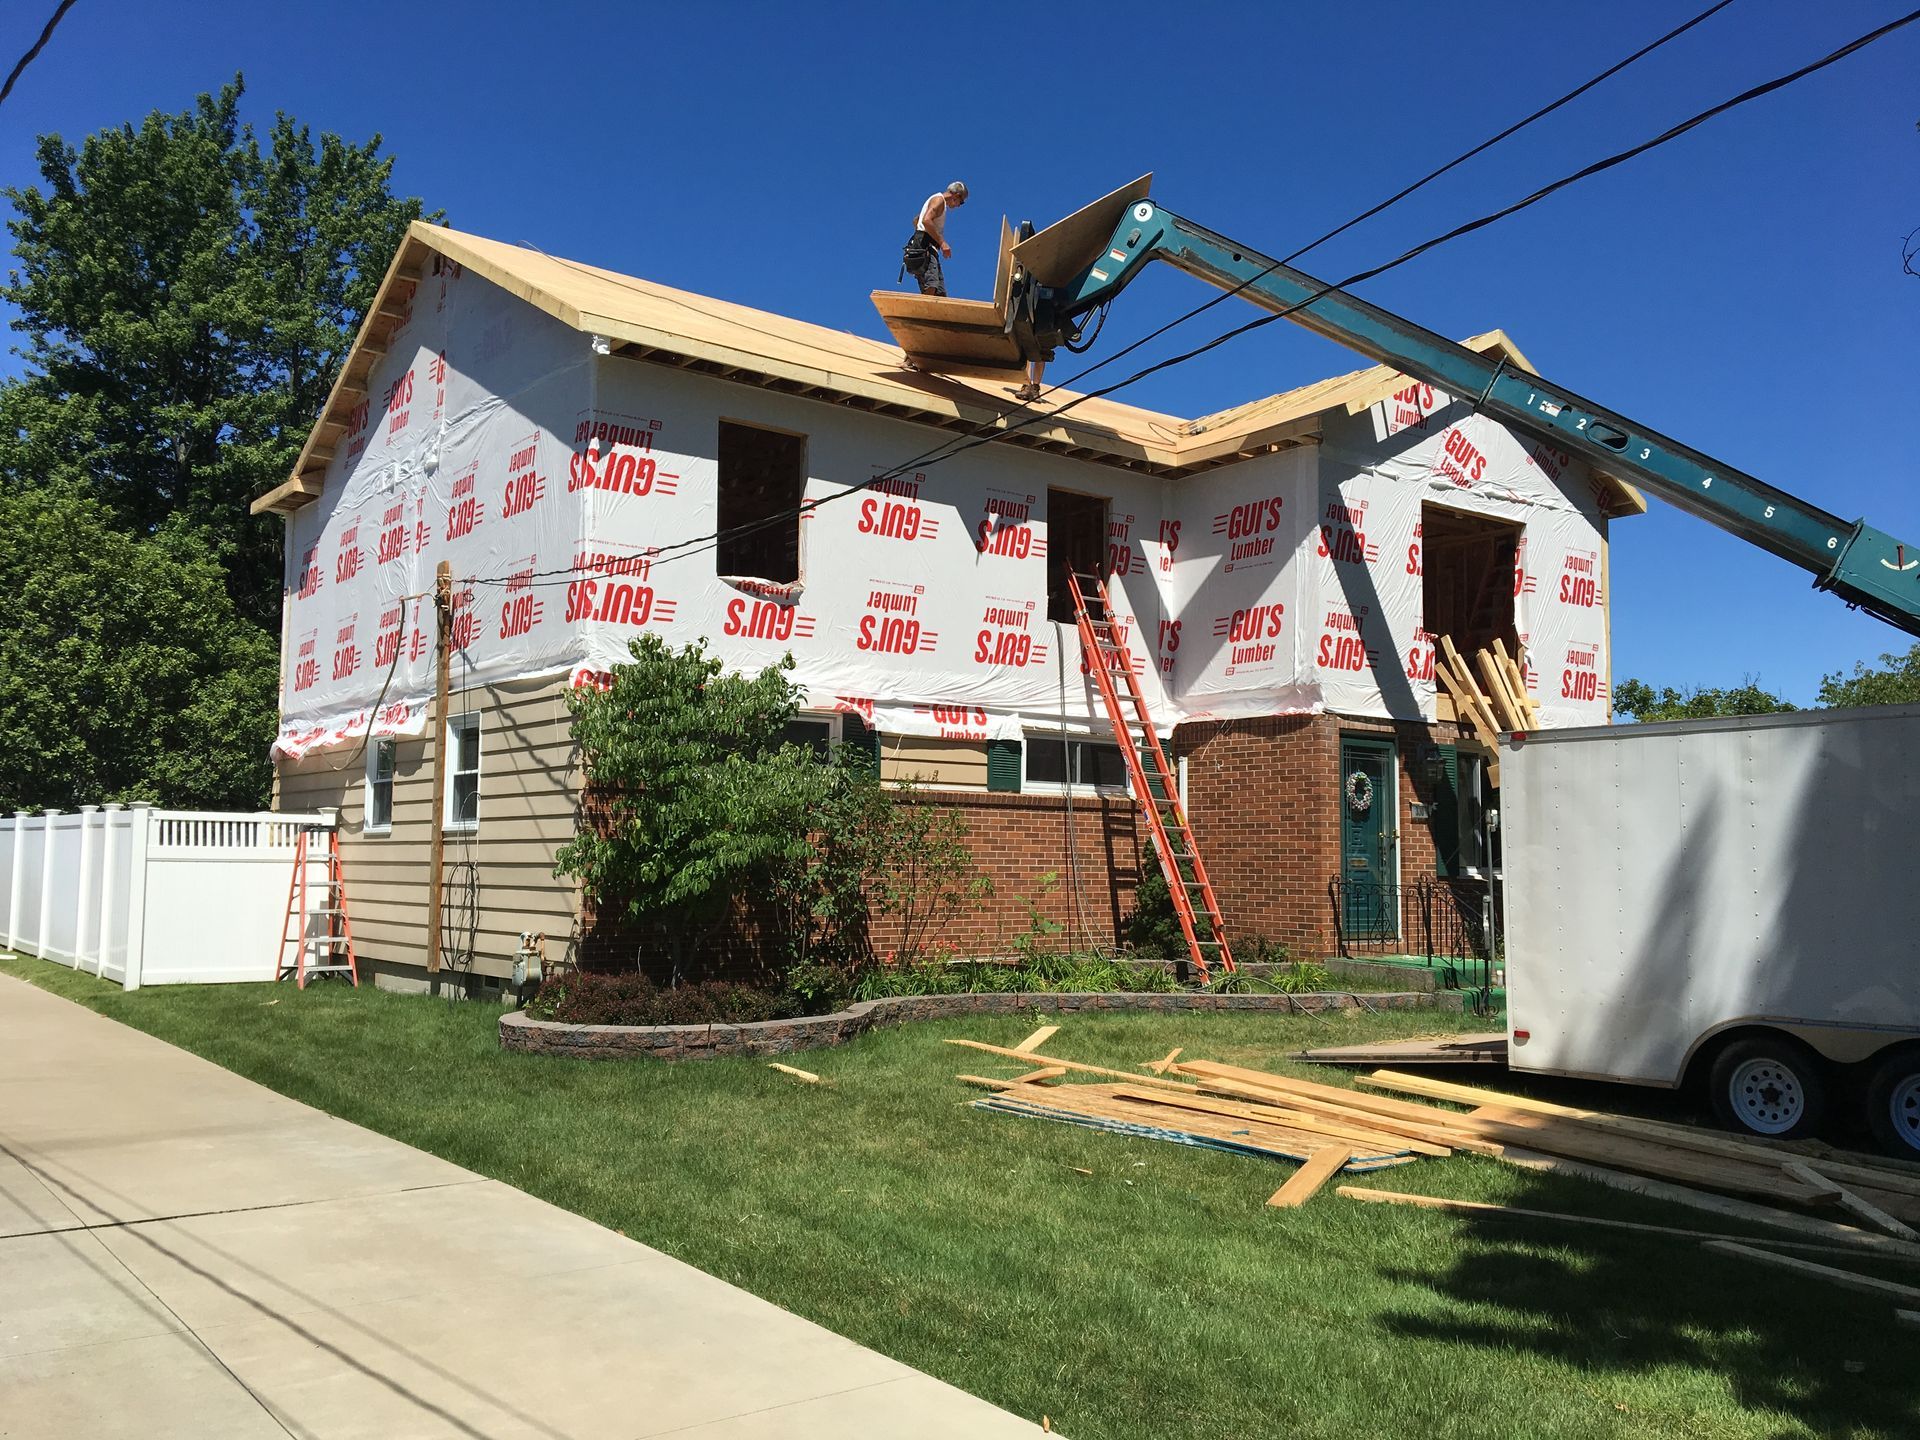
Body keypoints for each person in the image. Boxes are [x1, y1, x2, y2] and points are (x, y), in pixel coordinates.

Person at [901, 181, 966, 298]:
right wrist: (942, 243)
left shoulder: (938, 202)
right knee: (931, 285)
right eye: (961, 202)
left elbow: (919, 220)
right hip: (926, 246)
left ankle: (932, 314)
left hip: (928, 247)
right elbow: (926, 220)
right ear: (957, 195)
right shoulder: (939, 200)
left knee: (940, 293)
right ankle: (924, 314)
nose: (958, 206)